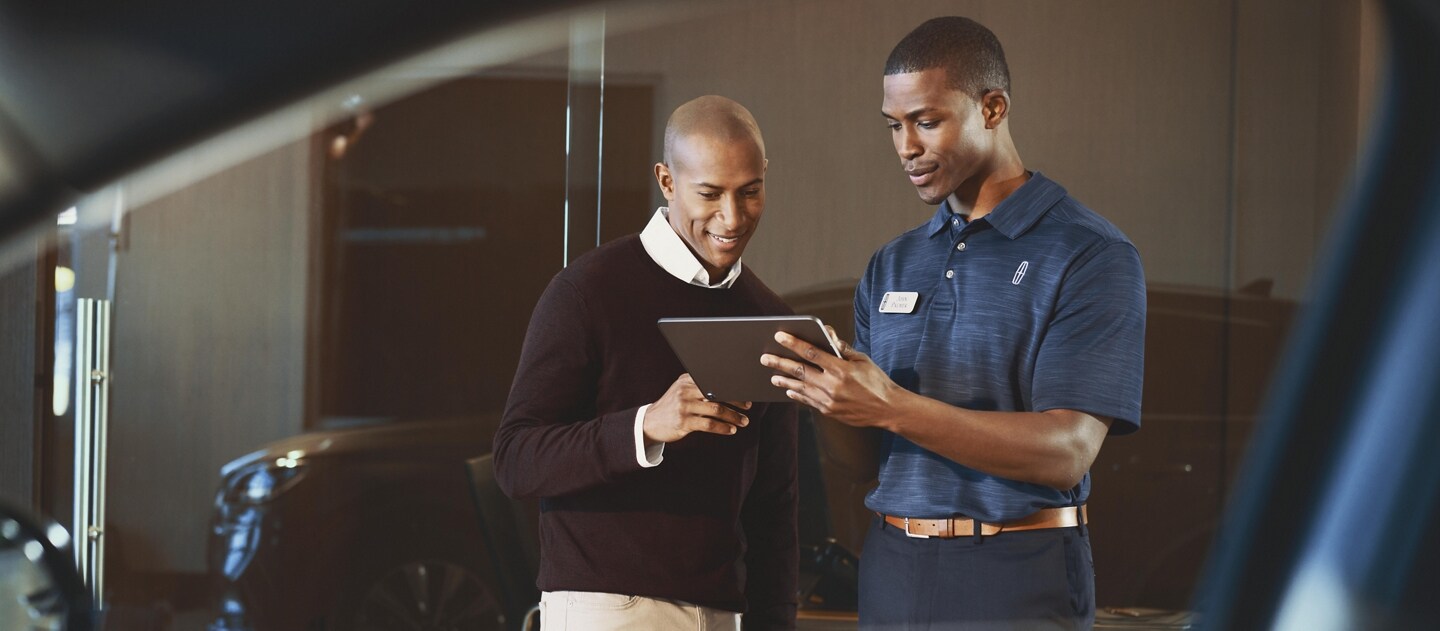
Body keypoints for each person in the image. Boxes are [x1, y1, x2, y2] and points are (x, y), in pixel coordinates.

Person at [762, 17, 1145, 630]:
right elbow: (862, 462)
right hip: (891, 565)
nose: (905, 146)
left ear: (992, 108)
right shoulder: (892, 263)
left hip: (1017, 570)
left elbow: (1068, 452)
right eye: (894, 125)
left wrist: (891, 406)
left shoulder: (1089, 253)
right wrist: (827, 393)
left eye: (927, 121)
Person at [493, 95, 798, 631]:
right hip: (607, 607)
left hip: (725, 610)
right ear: (666, 181)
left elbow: (774, 509)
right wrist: (645, 426)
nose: (733, 216)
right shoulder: (586, 292)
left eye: (750, 191)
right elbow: (515, 459)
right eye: (710, 194)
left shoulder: (769, 315)